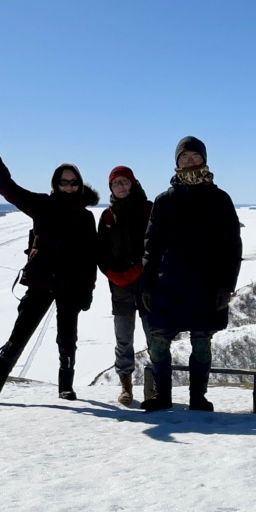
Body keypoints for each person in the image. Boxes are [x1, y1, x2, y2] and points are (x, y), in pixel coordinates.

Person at [0, 128, 99, 404]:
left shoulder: (86, 218)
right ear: (56, 183)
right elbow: (9, 190)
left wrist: (88, 290)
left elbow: (90, 258)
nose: (69, 187)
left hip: (70, 285)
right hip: (42, 281)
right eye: (64, 182)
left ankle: (66, 387)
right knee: (20, 333)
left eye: (74, 182)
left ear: (80, 185)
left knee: (67, 338)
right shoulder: (42, 205)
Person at [139, 136, 242, 412]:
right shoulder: (164, 201)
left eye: (194, 157)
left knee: (201, 341)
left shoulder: (220, 200)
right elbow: (151, 246)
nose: (189, 161)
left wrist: (226, 285)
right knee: (159, 341)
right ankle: (163, 395)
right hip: (168, 285)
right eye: (184, 157)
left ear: (204, 160)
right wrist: (147, 284)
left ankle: (198, 397)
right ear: (176, 162)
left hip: (205, 285)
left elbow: (232, 246)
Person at [97, 165, 153, 405]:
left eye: (125, 182)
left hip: (149, 286)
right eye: (116, 183)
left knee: (156, 338)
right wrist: (112, 274)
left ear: (133, 183)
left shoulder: (148, 209)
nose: (121, 186)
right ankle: (126, 387)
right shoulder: (108, 216)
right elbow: (100, 252)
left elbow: (157, 245)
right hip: (120, 289)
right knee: (123, 340)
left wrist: (139, 270)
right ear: (111, 187)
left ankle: (158, 388)